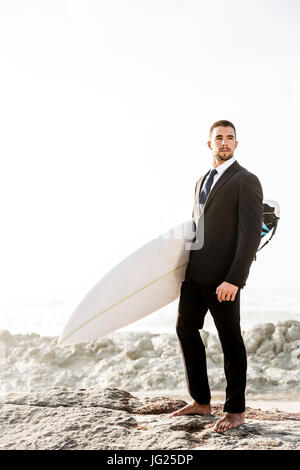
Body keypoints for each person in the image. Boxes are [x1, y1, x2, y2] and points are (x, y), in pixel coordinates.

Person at [169, 120, 263, 432]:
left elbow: (249, 237)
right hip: (195, 275)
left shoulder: (245, 181)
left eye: (230, 138)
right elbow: (197, 229)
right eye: (218, 138)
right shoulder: (201, 181)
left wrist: (235, 279)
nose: (224, 142)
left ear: (237, 144)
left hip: (224, 279)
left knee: (230, 340)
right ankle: (201, 401)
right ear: (209, 144)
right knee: (185, 328)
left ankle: (236, 410)